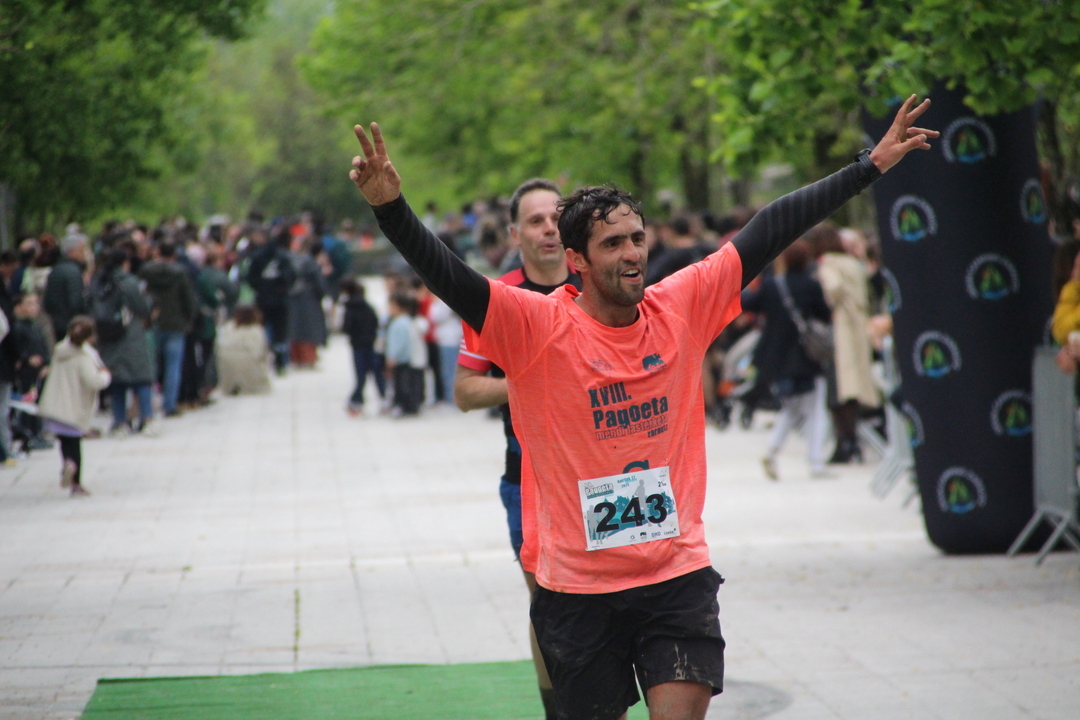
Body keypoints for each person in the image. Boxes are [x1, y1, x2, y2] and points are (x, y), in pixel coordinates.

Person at [351, 95, 936, 720]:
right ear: (577, 261)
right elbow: (447, 274)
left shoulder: (680, 305)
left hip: (674, 574)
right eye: (612, 244)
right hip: (577, 588)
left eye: (637, 238)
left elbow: (771, 227)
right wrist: (390, 208)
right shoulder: (534, 325)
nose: (632, 253)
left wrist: (868, 166)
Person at [454, 177, 580, 720]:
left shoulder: (596, 285)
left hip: (601, 474)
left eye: (556, 218)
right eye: (535, 221)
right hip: (528, 479)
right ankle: (556, 710)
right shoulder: (495, 299)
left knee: (613, 602)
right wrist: (530, 379)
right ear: (515, 234)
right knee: (549, 607)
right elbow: (465, 391)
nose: (549, 229)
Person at [740, 240, 832, 479]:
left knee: (791, 408)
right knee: (814, 410)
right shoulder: (812, 285)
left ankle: (772, 451)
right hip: (807, 357)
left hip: (777, 359)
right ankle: (815, 462)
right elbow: (826, 314)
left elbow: (748, 303)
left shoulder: (772, 285)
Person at [808, 222, 881, 463]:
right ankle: (852, 441)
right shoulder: (852, 263)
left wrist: (831, 301)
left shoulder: (828, 264)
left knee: (840, 391)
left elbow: (834, 287)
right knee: (854, 387)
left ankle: (846, 441)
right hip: (860, 327)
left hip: (843, 330)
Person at [38, 316, 112, 496]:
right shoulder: (83, 357)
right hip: (74, 407)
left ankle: (67, 463)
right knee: (75, 443)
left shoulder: (60, 351)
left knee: (64, 441)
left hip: (56, 406)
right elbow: (93, 381)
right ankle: (76, 482)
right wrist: (105, 376)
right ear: (90, 337)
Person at [91, 248, 157, 436]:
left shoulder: (99, 281)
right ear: (125, 263)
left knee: (117, 381)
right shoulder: (129, 282)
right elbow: (143, 308)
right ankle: (147, 418)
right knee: (141, 378)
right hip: (131, 335)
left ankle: (119, 422)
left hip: (107, 336)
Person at [139, 242, 198, 418]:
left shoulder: (146, 271)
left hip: (153, 322)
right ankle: (169, 404)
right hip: (176, 323)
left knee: (152, 365)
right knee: (173, 366)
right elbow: (188, 299)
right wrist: (188, 320)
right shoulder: (180, 273)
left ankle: (148, 405)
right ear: (174, 255)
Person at [340, 278, 382, 415]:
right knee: (375, 372)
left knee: (360, 375)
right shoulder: (368, 307)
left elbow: (346, 327)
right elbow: (375, 322)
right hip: (370, 343)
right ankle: (382, 397)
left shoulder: (350, 308)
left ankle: (356, 400)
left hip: (357, 345)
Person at [384, 292, 426, 416]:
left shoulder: (401, 323)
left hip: (401, 359)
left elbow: (400, 342)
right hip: (402, 359)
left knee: (403, 385)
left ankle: (405, 406)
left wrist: (392, 356)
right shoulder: (402, 321)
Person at [215, 304, 272, 396]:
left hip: (226, 363)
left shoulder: (227, 327)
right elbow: (259, 352)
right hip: (249, 364)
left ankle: (231, 385)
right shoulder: (256, 330)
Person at [42, 232, 88, 342]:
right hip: (71, 326)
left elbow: (47, 302)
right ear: (71, 252)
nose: (84, 254)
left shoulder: (55, 269)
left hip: (57, 324)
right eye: (82, 250)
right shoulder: (73, 272)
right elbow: (76, 302)